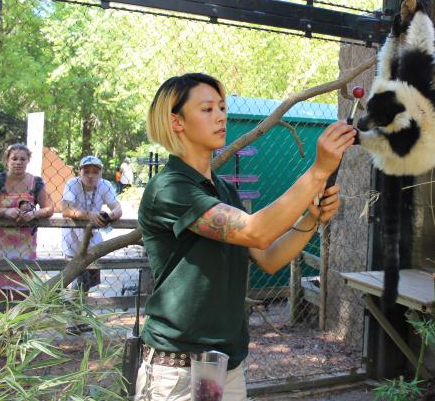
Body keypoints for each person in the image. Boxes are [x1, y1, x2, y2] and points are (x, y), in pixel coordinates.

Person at [135, 73, 355, 401]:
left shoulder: (223, 190)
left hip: (227, 367)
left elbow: (269, 258)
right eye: (207, 109)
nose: (221, 115)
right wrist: (319, 171)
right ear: (176, 121)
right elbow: (257, 230)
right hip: (176, 371)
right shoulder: (170, 189)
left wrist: (311, 218)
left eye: (222, 107)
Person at [0, 143, 54, 302]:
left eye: (23, 159)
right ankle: (4, 326)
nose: (18, 162)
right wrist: (6, 212)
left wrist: (33, 214)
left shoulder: (36, 182)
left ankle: (20, 327)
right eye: (14, 158)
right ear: (7, 160)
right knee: (0, 294)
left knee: (22, 293)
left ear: (28, 160)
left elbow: (49, 208)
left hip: (24, 244)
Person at [61, 155, 123, 293]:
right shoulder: (72, 184)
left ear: (101, 173)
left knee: (88, 284)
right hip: (73, 242)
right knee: (77, 282)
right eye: (86, 171)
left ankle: (78, 310)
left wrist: (108, 216)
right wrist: (90, 215)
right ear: (79, 172)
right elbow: (65, 209)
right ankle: (73, 311)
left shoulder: (105, 185)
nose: (91, 176)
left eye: (95, 172)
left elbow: (118, 209)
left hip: (93, 243)